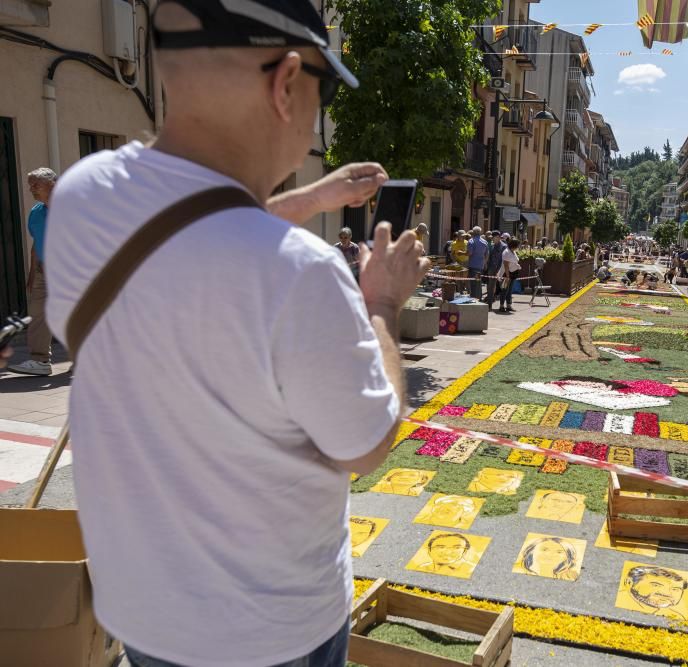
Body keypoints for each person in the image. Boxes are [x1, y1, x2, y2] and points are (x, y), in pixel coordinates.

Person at [43, 2, 430, 666]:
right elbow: (367, 443)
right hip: (271, 632)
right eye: (323, 88)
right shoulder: (299, 273)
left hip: (145, 619)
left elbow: (196, 239)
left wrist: (310, 200)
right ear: (285, 83)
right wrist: (383, 306)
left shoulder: (82, 197)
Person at [8, 167, 57, 376]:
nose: (31, 188)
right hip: (41, 273)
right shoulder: (36, 212)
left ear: (52, 184)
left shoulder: (72, 207)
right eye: (30, 184)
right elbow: (36, 243)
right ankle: (40, 360)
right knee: (37, 314)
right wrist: (31, 273)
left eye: (35, 184)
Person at [496, 238, 520, 313]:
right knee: (504, 290)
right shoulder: (506, 252)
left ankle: (509, 305)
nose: (518, 246)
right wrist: (507, 276)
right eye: (517, 245)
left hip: (512, 273)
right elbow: (506, 265)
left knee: (509, 290)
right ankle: (501, 306)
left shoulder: (513, 251)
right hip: (506, 274)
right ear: (514, 245)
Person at [465, 226, 488, 300]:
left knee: (473, 282)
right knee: (478, 281)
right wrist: (485, 263)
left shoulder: (471, 241)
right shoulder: (485, 242)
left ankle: (474, 297)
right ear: (480, 232)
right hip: (480, 265)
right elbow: (487, 254)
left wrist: (462, 253)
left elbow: (469, 253)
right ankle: (479, 297)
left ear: (473, 232)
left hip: (473, 265)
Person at [485, 231, 506, 307]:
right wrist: (488, 266)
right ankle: (489, 303)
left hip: (501, 270)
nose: (492, 240)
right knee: (490, 286)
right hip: (492, 269)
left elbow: (504, 259)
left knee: (503, 287)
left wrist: (500, 270)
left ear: (497, 237)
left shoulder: (504, 246)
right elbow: (490, 257)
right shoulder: (492, 246)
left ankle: (502, 305)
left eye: (493, 238)